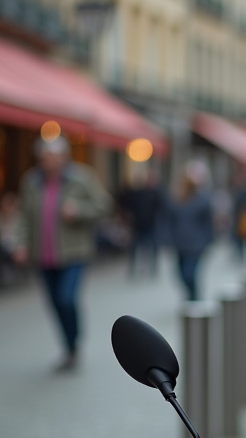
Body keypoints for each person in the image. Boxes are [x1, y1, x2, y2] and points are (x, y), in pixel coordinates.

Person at [15, 136, 112, 372]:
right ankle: (68, 348)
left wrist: (79, 211)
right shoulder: (32, 181)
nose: (47, 162)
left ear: (63, 157)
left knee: (66, 299)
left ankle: (75, 342)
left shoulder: (81, 178)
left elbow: (104, 206)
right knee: (54, 304)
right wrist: (20, 243)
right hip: (44, 255)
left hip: (74, 253)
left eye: (52, 157)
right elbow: (24, 217)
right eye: (44, 157)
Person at [165, 163, 214, 301]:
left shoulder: (203, 199)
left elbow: (208, 222)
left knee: (189, 273)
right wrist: (167, 239)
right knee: (180, 274)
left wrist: (208, 240)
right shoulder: (176, 198)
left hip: (196, 244)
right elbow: (168, 220)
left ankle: (194, 297)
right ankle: (191, 296)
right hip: (180, 243)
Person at [117, 168, 164, 278]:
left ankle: (153, 269)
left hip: (151, 225)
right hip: (138, 225)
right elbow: (124, 202)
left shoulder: (156, 193)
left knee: (152, 247)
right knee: (135, 248)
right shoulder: (136, 193)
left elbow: (162, 207)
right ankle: (133, 269)